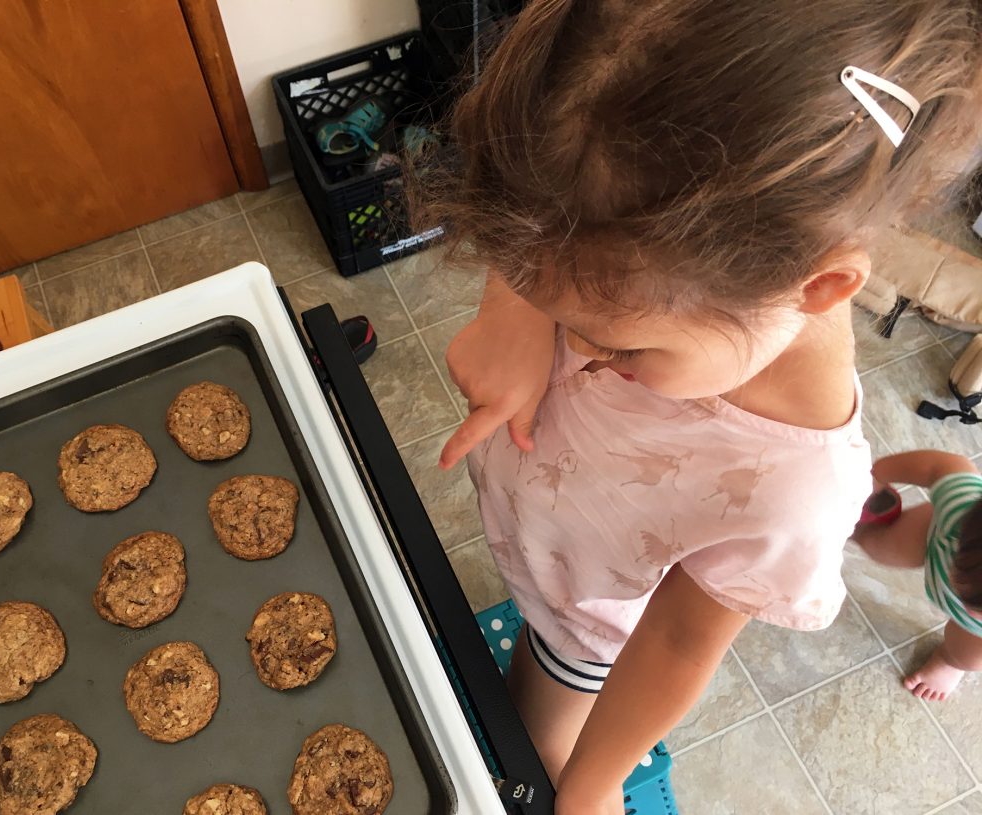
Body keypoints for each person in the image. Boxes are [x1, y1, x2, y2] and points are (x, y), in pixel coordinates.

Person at [410, 1, 982, 811]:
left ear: (816, 287)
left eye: (616, 343)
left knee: (540, 734)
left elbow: (677, 641)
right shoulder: (625, 240)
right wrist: (515, 308)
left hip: (588, 613)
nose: (591, 357)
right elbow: (549, 224)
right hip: (546, 533)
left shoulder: (794, 489)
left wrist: (592, 783)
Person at [854, 451, 982, 701]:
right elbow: (942, 466)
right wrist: (877, 475)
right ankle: (853, 529)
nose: (969, 609)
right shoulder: (961, 507)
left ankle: (949, 660)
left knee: (970, 656)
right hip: (938, 536)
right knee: (878, 546)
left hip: (975, 632)